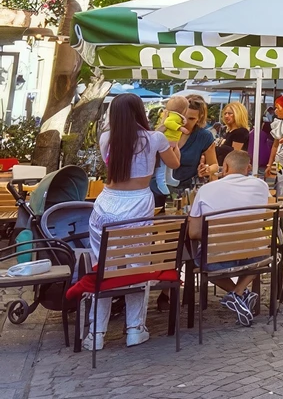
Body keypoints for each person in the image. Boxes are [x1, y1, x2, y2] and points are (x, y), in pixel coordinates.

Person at [85, 93, 181, 350]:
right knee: (136, 266)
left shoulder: (106, 138)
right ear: (140, 111)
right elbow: (174, 163)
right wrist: (174, 143)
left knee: (102, 267)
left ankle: (96, 333)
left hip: (105, 204)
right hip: (137, 204)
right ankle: (134, 329)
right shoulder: (156, 138)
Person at [187, 149, 271, 326]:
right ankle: (240, 293)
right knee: (263, 251)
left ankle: (236, 294)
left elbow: (193, 233)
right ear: (248, 168)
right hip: (256, 256)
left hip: (217, 259)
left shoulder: (206, 190)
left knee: (201, 261)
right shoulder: (261, 186)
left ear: (224, 167)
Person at [172, 94, 219, 191]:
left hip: (187, 189)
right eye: (183, 117)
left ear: (199, 119)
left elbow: (214, 165)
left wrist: (207, 169)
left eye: (191, 119)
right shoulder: (166, 131)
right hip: (159, 188)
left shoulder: (204, 136)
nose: (185, 122)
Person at [214, 101, 252, 167]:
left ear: (238, 114)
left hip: (232, 167)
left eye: (230, 113)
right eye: (225, 113)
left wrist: (218, 148)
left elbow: (235, 153)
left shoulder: (241, 132)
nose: (226, 116)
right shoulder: (229, 131)